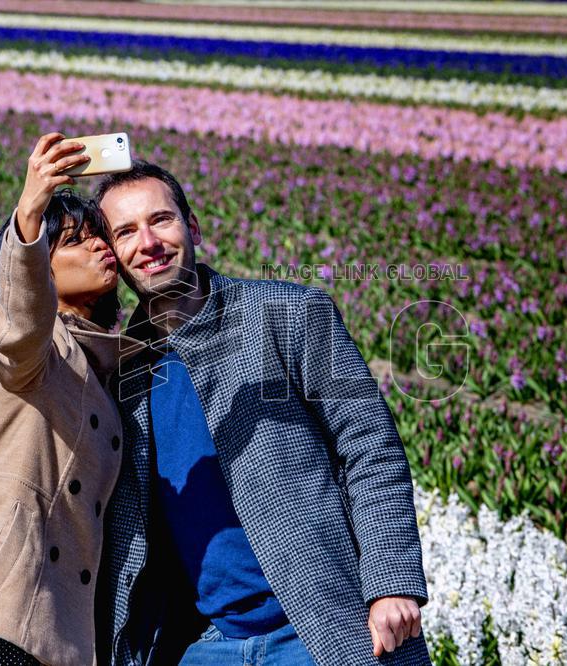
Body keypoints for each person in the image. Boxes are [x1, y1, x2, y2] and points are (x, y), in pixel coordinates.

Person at [93, 161, 430, 666]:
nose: (148, 242)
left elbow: (369, 446)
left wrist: (390, 583)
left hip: (320, 627)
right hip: (204, 645)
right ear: (113, 256)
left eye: (160, 220)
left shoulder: (288, 314)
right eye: (125, 232)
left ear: (193, 227)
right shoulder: (121, 367)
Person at [0, 133, 144, 666]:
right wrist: (31, 210)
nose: (101, 246)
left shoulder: (103, 366)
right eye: (78, 241)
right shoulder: (19, 340)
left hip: (50, 635)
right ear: (40, 269)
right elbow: (24, 321)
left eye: (102, 237)